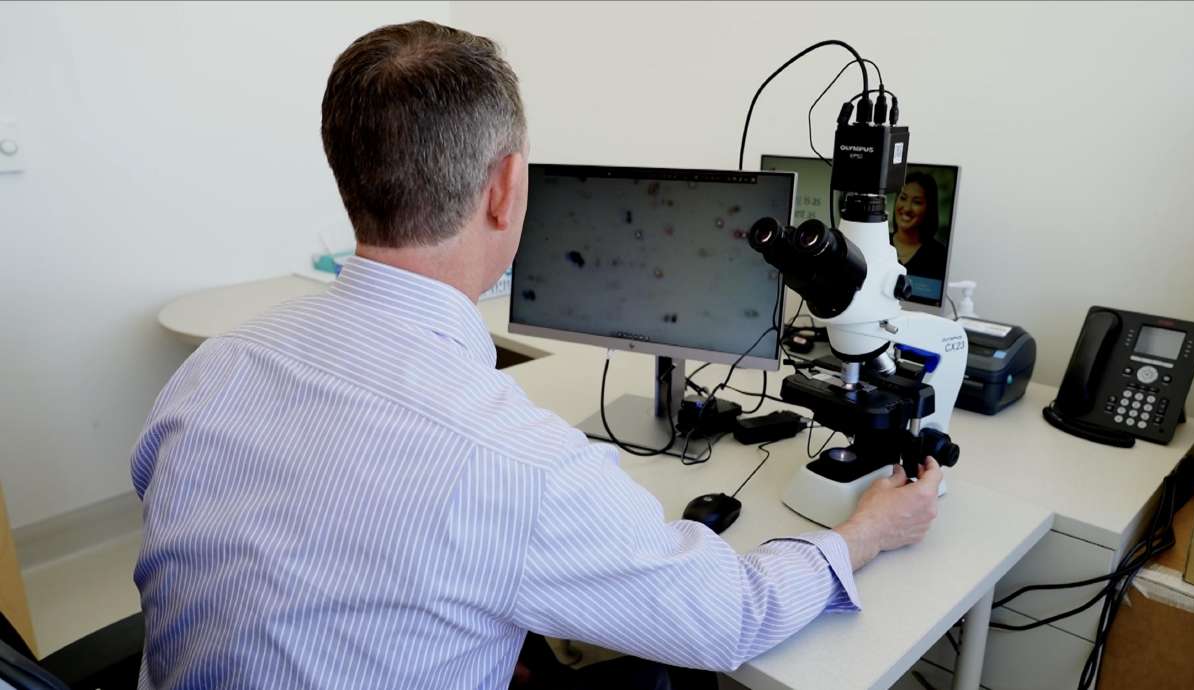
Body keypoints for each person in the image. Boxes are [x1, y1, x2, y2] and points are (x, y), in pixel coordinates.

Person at [129, 21, 944, 690]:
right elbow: (728, 616)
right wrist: (869, 532)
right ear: (506, 186)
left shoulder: (216, 368)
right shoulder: (514, 463)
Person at [891, 171, 947, 280]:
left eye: (917, 202)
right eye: (903, 198)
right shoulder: (879, 242)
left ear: (929, 208)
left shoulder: (939, 255)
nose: (907, 208)